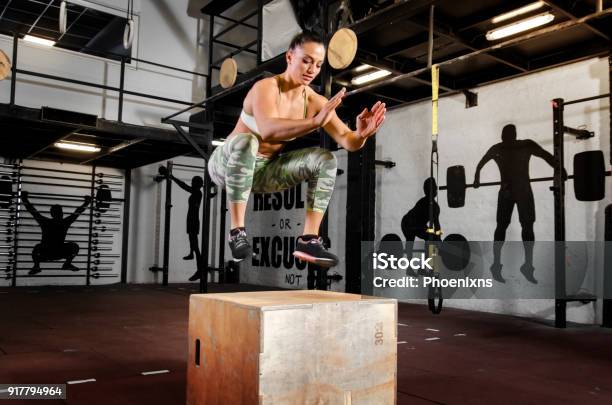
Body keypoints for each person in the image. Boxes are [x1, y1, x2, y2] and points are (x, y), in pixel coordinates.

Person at [208, 30, 386, 267]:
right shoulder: (266, 88)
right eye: (306, 60)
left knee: (326, 159)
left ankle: (309, 239)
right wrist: (315, 122)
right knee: (248, 141)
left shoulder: (314, 102)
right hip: (225, 166)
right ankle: (237, 233)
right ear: (290, 57)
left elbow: (347, 140)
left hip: (263, 174)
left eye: (318, 64)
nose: (312, 69)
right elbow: (269, 130)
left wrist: (362, 135)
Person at [473, 124, 566, 284]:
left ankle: (525, 265)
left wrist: (559, 168)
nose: (506, 138)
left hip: (518, 191)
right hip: (511, 191)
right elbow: (480, 164)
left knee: (524, 227)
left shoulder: (519, 146)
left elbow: (546, 156)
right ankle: (498, 265)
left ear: (510, 135)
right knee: (504, 227)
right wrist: (476, 179)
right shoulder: (504, 147)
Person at [21, 191, 91, 275]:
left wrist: (24, 199)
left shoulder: (46, 222)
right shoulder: (64, 222)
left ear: (52, 214)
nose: (61, 213)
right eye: (60, 211)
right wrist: (87, 202)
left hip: (47, 253)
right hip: (57, 252)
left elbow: (33, 211)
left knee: (38, 247)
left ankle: (37, 266)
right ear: (60, 213)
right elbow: (77, 212)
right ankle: (66, 264)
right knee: (74, 246)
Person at [401, 177, 441, 276]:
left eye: (435, 188)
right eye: (434, 188)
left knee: (433, 240)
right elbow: (432, 226)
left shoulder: (435, 207)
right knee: (414, 242)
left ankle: (424, 268)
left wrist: (438, 237)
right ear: (428, 191)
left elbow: (436, 225)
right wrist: (435, 236)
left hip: (417, 225)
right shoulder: (422, 203)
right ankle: (414, 269)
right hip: (408, 223)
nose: (436, 190)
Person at [168, 173, 204, 281]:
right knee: (191, 241)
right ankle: (191, 253)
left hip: (193, 221)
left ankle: (200, 270)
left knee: (196, 247)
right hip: (190, 220)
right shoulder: (196, 193)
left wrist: (173, 177)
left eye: (193, 182)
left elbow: (184, 186)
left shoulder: (197, 192)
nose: (191, 183)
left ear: (197, 184)